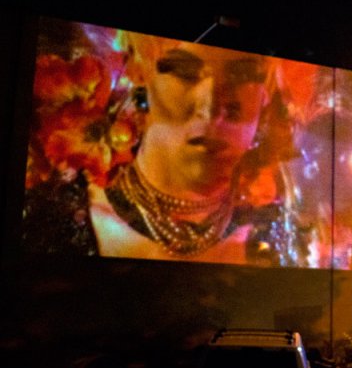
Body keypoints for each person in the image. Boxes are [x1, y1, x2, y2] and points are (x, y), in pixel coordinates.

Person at [22, 20, 309, 266]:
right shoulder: (48, 222)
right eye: (184, 71)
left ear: (267, 92)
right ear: (141, 74)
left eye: (243, 75)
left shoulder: (283, 236)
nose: (211, 107)